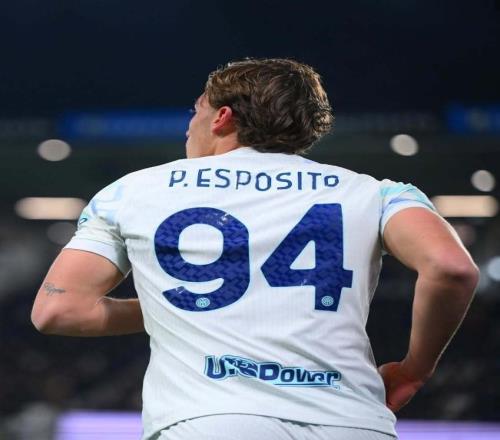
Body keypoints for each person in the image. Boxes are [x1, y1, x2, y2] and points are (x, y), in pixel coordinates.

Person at [31, 58, 479, 440]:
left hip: (209, 422)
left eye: (196, 111)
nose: (189, 126)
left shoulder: (132, 191)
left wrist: (180, 304)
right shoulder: (376, 193)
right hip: (351, 421)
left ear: (221, 117)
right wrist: (414, 369)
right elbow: (451, 268)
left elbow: (58, 310)